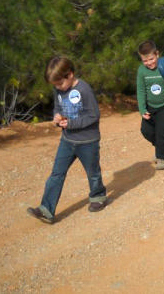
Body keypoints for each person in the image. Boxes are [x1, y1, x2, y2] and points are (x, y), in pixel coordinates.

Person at [27, 57, 107, 224]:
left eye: (60, 84)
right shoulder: (58, 90)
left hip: (88, 141)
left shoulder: (84, 89)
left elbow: (93, 115)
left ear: (70, 75)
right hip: (67, 140)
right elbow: (58, 107)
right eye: (55, 85)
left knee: (92, 172)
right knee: (57, 173)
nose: (58, 87)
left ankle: (98, 196)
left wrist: (71, 123)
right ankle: (46, 209)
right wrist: (57, 118)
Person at [136, 40, 164, 170]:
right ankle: (160, 148)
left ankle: (162, 157)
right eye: (145, 61)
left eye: (151, 59)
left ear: (157, 54)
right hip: (150, 107)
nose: (149, 63)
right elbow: (141, 90)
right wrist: (142, 109)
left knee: (161, 133)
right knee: (146, 131)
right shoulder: (142, 71)